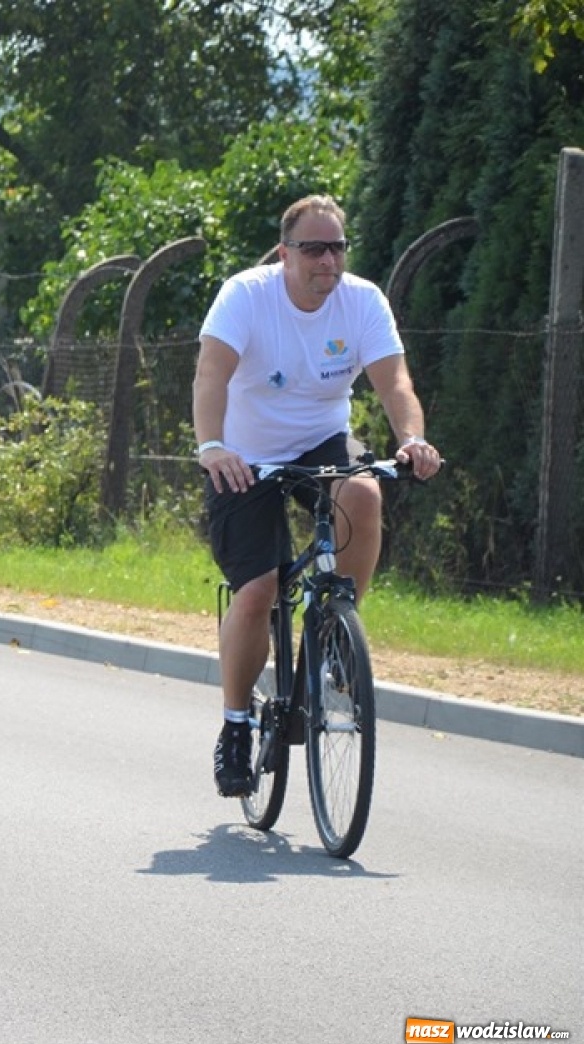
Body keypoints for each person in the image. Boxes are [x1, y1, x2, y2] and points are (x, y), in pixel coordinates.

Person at [192, 194, 443, 798]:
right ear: (286, 253)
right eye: (314, 248)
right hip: (244, 456)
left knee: (364, 492)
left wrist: (413, 439)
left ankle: (333, 638)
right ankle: (235, 724)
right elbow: (210, 375)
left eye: (337, 247)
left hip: (321, 441)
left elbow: (395, 382)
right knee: (257, 592)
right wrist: (213, 446)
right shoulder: (247, 296)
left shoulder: (362, 302)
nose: (328, 260)